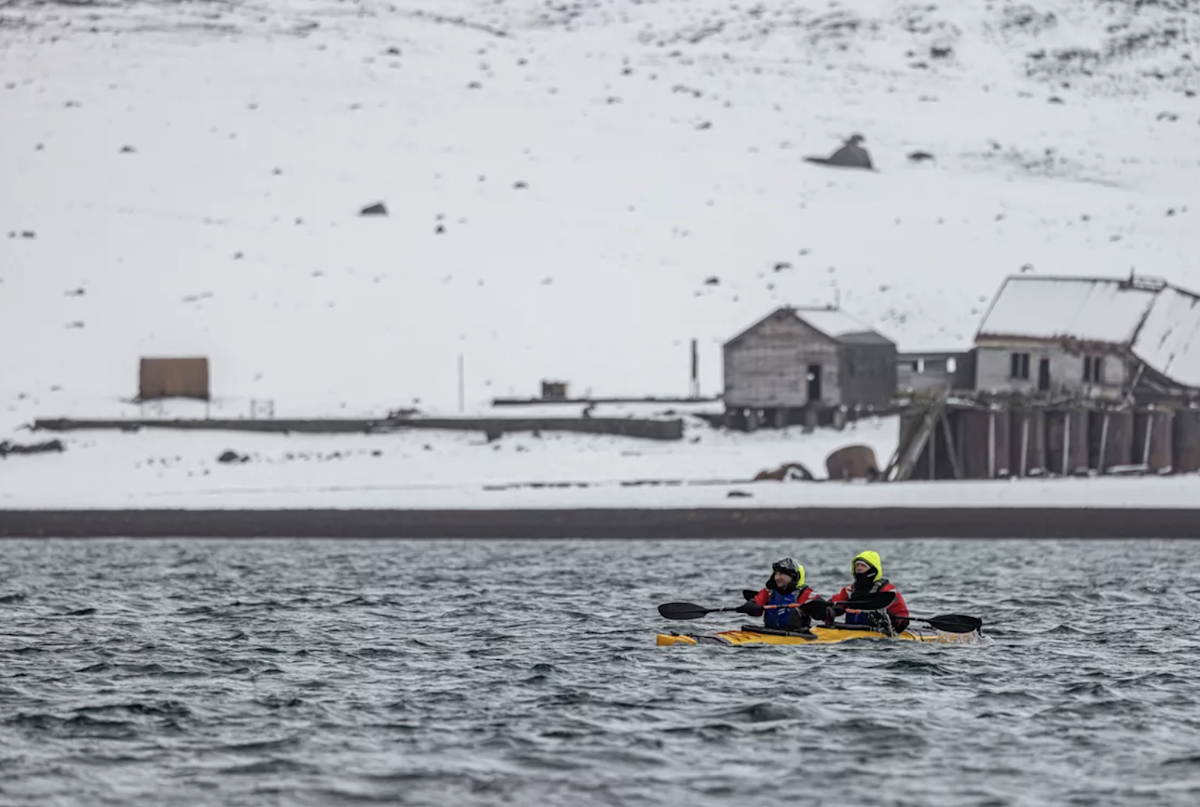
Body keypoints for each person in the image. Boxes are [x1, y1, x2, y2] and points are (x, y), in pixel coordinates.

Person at [829, 550, 910, 634]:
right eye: (857, 565)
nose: (859, 568)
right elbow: (837, 600)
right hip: (851, 632)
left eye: (863, 566)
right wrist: (828, 609)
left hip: (878, 635)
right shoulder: (850, 590)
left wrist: (888, 618)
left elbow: (902, 618)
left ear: (873, 570)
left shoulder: (887, 590)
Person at [735, 557, 824, 631]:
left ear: (792, 576)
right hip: (770, 633)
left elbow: (825, 612)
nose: (777, 577)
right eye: (776, 574)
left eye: (781, 574)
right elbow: (757, 605)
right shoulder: (768, 593)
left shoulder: (804, 593)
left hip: (798, 638)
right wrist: (751, 605)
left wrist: (822, 611)